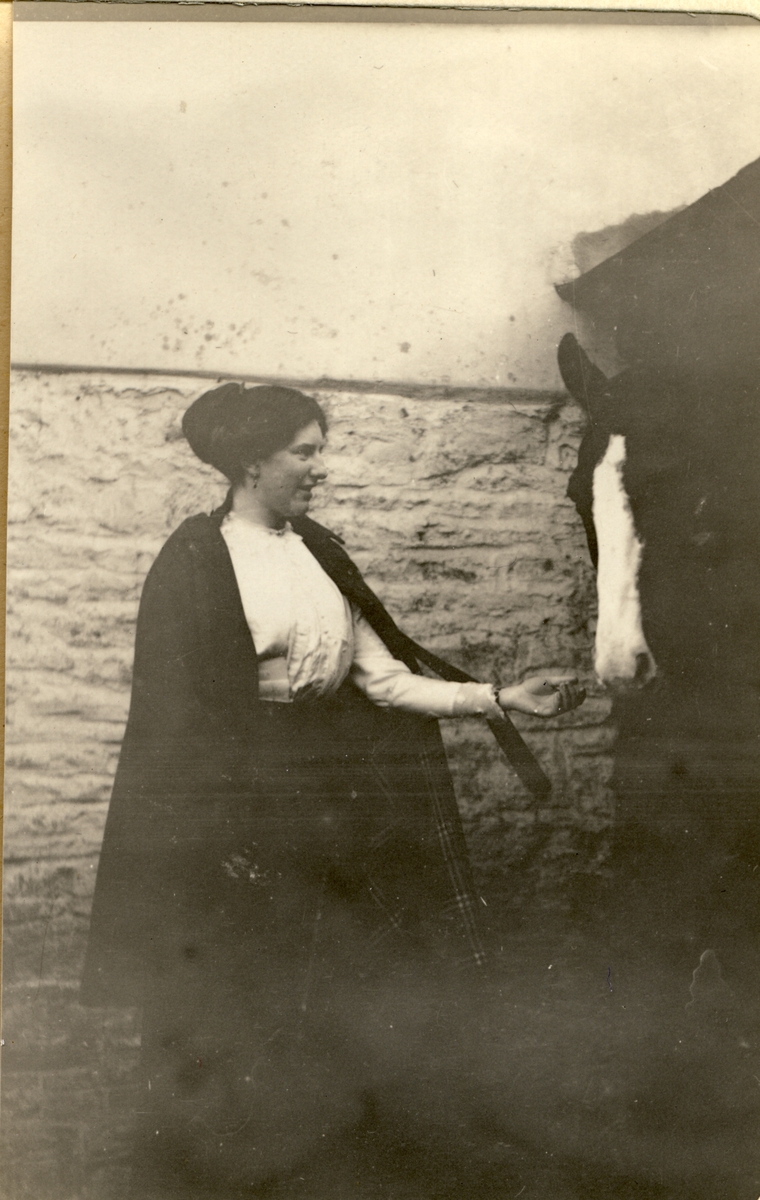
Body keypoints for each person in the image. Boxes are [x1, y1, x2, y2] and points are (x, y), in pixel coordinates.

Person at [80, 382, 584, 1197]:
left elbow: (382, 679)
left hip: (332, 804)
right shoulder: (195, 560)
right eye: (304, 453)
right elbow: (177, 722)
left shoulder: (318, 547)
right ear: (252, 462)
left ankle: (339, 1167)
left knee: (349, 983)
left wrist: (500, 697)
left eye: (320, 450)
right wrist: (223, 830)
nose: (321, 468)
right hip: (240, 810)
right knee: (245, 999)